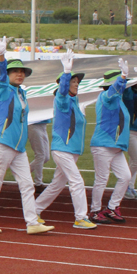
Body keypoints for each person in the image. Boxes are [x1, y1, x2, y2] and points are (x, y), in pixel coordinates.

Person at [0, 34, 49, 235]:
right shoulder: (3, 89)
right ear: (8, 74)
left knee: (27, 185)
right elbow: (1, 75)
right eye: (15, 71)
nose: (20, 74)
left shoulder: (21, 93)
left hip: (18, 148)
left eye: (22, 72)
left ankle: (32, 222)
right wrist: (1, 54)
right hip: (2, 145)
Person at [34, 51, 97, 230]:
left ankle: (34, 210)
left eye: (77, 82)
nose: (76, 84)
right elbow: (62, 92)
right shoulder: (61, 101)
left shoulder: (75, 103)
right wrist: (66, 72)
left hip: (72, 150)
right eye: (73, 82)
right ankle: (80, 217)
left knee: (57, 184)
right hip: (62, 149)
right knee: (77, 181)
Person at [89, 64, 134, 224]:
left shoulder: (117, 99)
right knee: (101, 179)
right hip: (103, 145)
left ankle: (112, 207)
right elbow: (113, 91)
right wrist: (122, 78)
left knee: (125, 176)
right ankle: (94, 211)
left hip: (115, 147)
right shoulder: (106, 96)